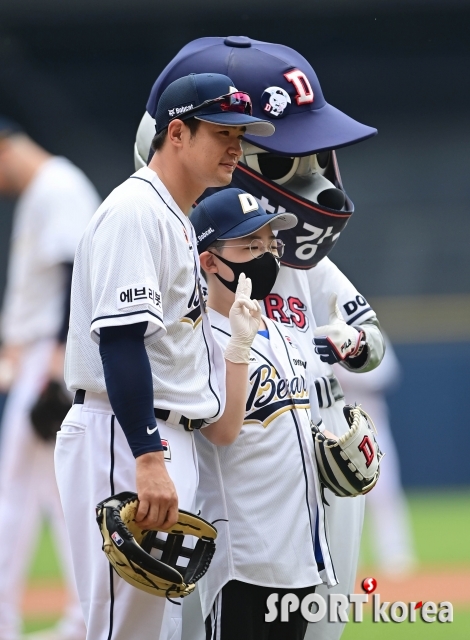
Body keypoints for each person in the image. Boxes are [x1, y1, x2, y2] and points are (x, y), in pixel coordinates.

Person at [134, 37, 386, 640]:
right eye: (280, 161)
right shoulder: (162, 255)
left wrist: (345, 350)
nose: (316, 184)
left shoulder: (298, 261)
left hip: (315, 478)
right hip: (229, 499)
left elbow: (369, 338)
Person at [54, 73, 275, 640]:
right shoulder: (136, 211)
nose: (237, 146)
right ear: (177, 132)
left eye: (241, 133)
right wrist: (148, 457)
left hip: (155, 436)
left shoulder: (176, 215)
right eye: (222, 130)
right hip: (126, 435)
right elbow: (121, 340)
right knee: (124, 629)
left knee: (163, 629)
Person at [190, 187, 339, 640]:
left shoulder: (281, 333)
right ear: (209, 261)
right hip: (243, 559)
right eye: (248, 246)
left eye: (269, 244)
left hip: (299, 556)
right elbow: (223, 431)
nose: (265, 256)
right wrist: (237, 347)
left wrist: (330, 453)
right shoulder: (197, 337)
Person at [0, 117, 100, 640]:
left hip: (49, 354)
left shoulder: (57, 184)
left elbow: (75, 267)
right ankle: (83, 619)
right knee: (54, 494)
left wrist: (58, 363)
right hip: (39, 353)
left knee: (15, 495)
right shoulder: (48, 186)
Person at [334, 339, 417, 576]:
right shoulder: (312, 330)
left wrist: (349, 371)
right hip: (333, 422)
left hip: (371, 420)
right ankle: (345, 559)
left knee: (384, 490)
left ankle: (394, 553)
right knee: (339, 498)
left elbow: (387, 373)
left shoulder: (367, 331)